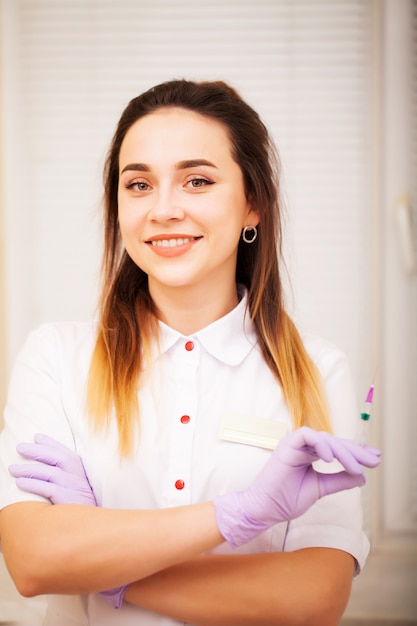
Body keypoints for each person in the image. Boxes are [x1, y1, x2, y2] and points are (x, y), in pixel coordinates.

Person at [0, 79, 381, 626]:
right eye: (138, 185)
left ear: (253, 204)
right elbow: (34, 562)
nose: (163, 209)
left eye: (197, 180)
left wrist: (99, 555)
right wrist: (236, 516)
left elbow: (315, 598)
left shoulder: (318, 371)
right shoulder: (56, 358)